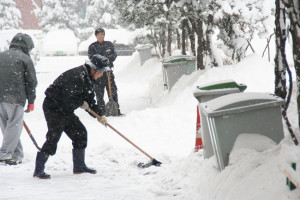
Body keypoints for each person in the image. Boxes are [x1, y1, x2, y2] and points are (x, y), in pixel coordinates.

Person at [33, 54, 109, 179]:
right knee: (54, 136)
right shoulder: (76, 76)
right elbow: (68, 98)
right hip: (54, 106)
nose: (102, 74)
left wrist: (100, 116)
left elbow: (90, 100)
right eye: (101, 72)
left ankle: (79, 166)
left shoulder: (89, 78)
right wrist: (80, 102)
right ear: (93, 68)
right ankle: (38, 169)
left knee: (80, 133)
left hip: (66, 109)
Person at [0, 33, 37, 165]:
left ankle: (16, 154)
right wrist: (31, 101)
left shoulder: (1, 55)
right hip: (14, 97)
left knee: (8, 127)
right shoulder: (24, 59)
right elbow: (31, 81)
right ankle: (4, 153)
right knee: (14, 126)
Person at [88, 27, 122, 116]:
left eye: (102, 34)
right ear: (96, 36)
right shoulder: (92, 47)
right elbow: (92, 59)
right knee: (99, 93)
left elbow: (114, 56)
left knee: (113, 91)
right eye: (99, 34)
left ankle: (115, 110)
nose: (101, 36)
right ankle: (102, 112)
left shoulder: (109, 44)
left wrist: (105, 60)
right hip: (98, 74)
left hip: (109, 72)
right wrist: (103, 61)